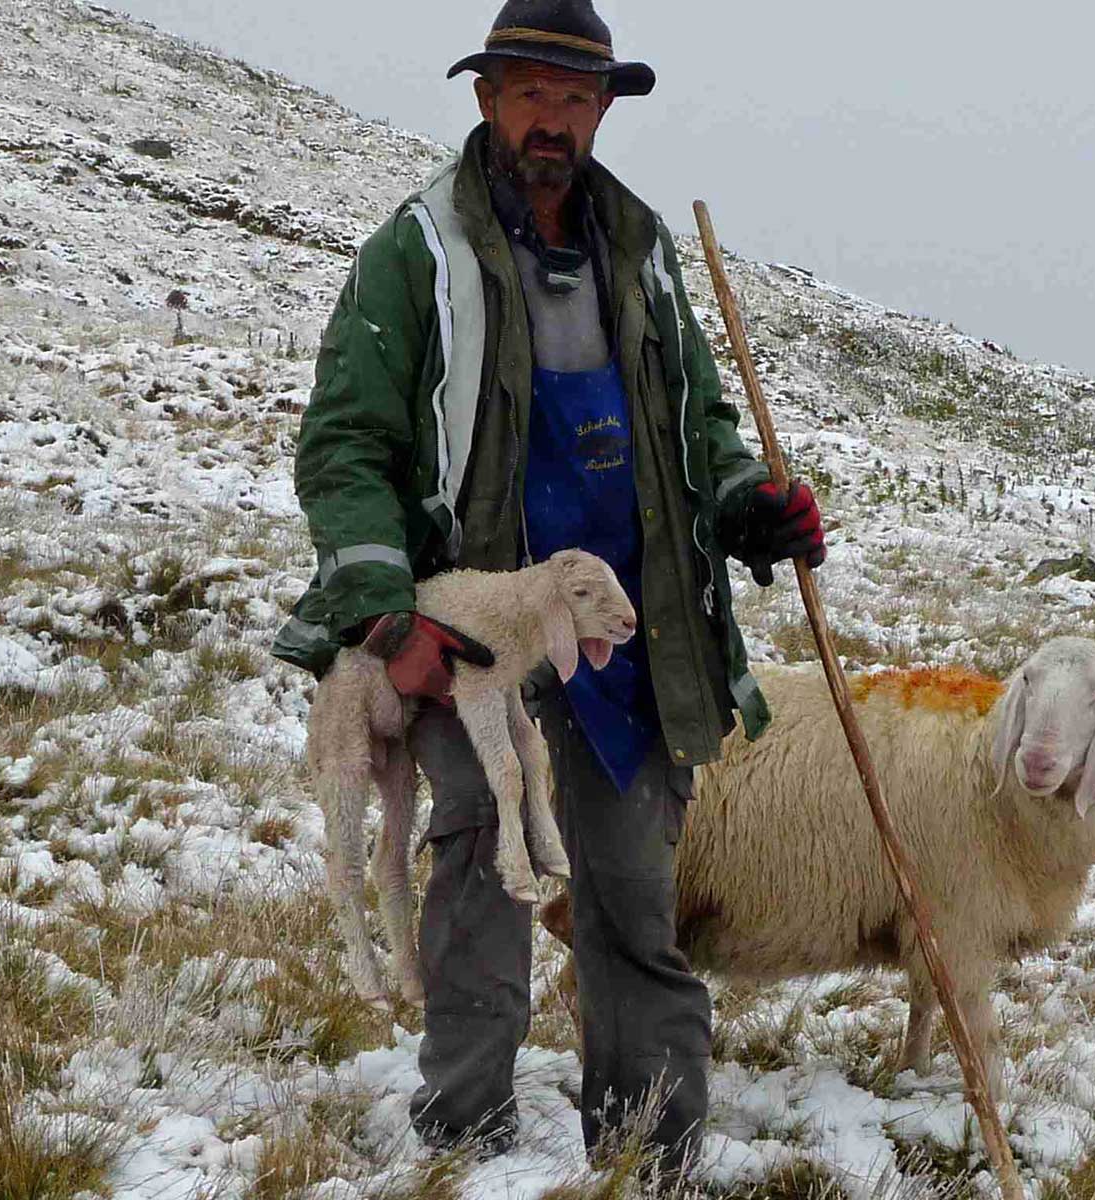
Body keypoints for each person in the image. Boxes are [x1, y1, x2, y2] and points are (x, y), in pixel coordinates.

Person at [270, 0, 824, 1173]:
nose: (552, 120)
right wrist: (385, 613)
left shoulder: (644, 252)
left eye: (577, 98)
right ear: (485, 99)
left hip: (629, 628)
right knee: (482, 869)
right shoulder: (417, 252)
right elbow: (346, 445)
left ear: (607, 109)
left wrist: (743, 506)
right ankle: (467, 1142)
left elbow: (698, 425)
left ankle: (653, 1151)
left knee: (633, 889)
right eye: (529, 92)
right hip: (481, 634)